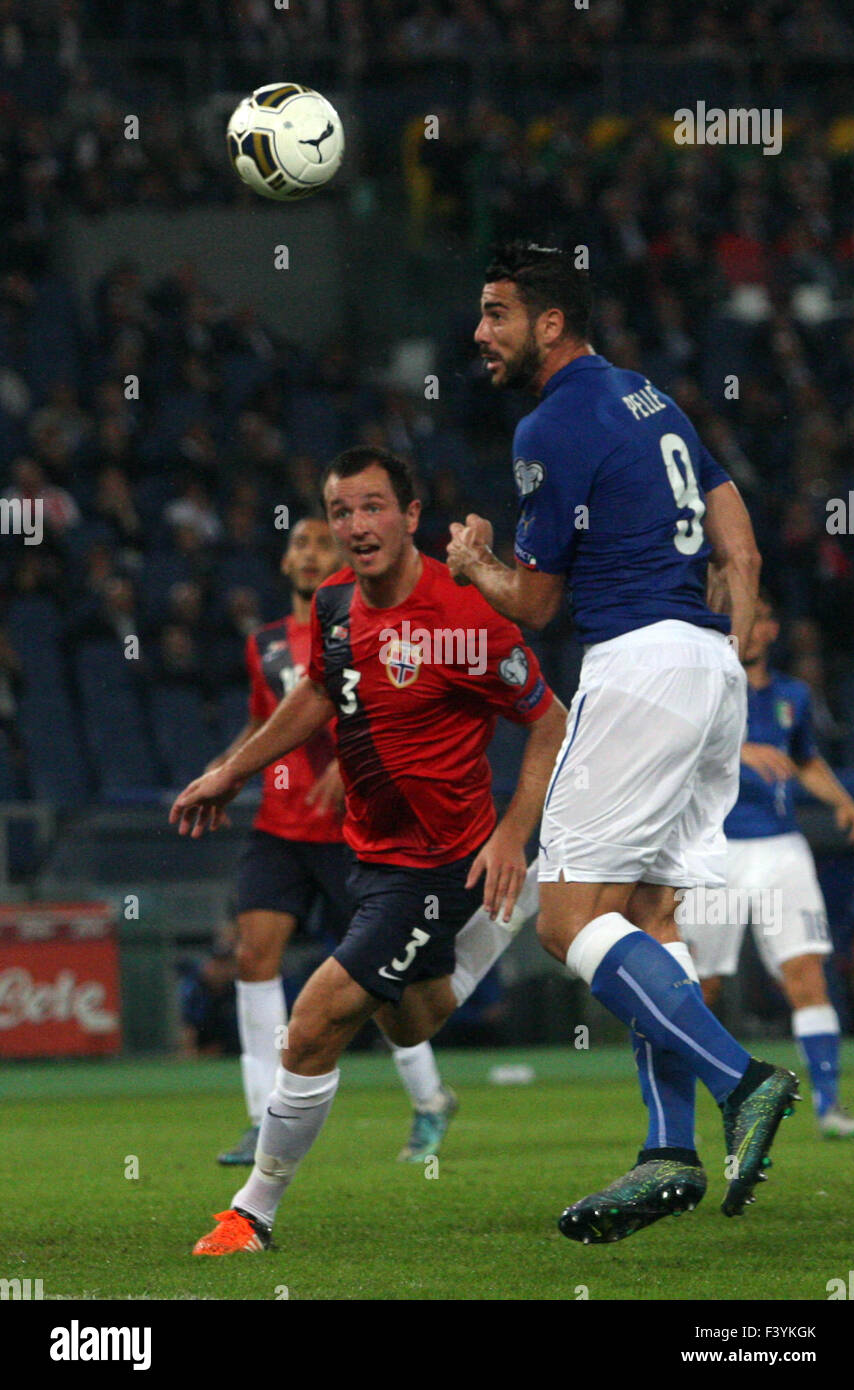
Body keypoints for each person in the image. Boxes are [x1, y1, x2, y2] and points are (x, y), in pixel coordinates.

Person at [446, 240, 799, 1245]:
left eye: (495, 313)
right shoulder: (649, 396)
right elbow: (736, 525)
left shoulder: (548, 426)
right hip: (703, 662)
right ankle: (666, 1153)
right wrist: (738, 601)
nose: (480, 334)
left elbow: (540, 601)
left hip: (637, 665)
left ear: (548, 323)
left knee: (564, 922)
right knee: (642, 912)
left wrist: (474, 563)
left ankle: (741, 1081)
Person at [170, 446, 567, 1255]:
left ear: (412, 515)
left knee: (311, 1023)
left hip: (440, 858)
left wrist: (510, 836)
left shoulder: (466, 615)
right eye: (342, 511)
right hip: (371, 854)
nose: (356, 526)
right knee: (412, 1020)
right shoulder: (336, 604)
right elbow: (318, 690)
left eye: (373, 507)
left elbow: (550, 719)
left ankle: (252, 1213)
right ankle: (490, 933)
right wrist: (229, 771)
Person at [209, 516, 458, 1167]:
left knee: (376, 982)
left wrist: (346, 771)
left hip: (354, 835)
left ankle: (430, 1100)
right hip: (280, 828)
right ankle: (262, 1116)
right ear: (288, 564)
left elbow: (396, 709)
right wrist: (222, 772)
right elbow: (264, 722)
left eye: (323, 542)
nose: (312, 551)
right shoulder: (264, 643)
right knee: (253, 957)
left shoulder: (362, 626)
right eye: (301, 543)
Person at [679, 589, 854, 1137]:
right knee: (701, 987)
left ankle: (829, 1107)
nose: (747, 625)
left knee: (807, 974)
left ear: (770, 629)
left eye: (758, 616)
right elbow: (676, 750)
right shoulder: (704, 689)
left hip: (782, 848)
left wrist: (846, 804)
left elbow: (805, 760)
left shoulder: (793, 695)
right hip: (714, 850)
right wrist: (738, 751)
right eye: (740, 616)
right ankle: (699, 1110)